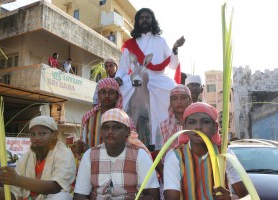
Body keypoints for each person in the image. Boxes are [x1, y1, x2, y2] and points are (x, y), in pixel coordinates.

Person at [115, 8, 185, 146]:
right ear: (137, 21)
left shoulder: (160, 41)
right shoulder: (130, 44)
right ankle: (120, 132)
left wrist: (175, 49)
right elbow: (123, 68)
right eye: (142, 17)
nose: (144, 19)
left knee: (175, 91)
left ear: (152, 20)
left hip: (157, 79)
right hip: (135, 78)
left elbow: (172, 65)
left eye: (147, 17)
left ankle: (167, 134)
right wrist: (118, 78)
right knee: (117, 93)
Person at [163, 102, 248, 200]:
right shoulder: (175, 157)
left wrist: (231, 198)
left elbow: (247, 197)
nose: (198, 127)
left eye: (205, 122)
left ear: (215, 127)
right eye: (192, 122)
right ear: (185, 127)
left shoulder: (224, 154)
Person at [0, 116, 76, 200]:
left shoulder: (63, 153)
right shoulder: (26, 158)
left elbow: (55, 187)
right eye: (33, 134)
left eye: (42, 133)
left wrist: (17, 180)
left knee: (61, 196)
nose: (36, 138)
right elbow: (12, 196)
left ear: (54, 134)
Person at [74, 108, 160, 200]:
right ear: (101, 132)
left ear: (127, 131)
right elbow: (80, 195)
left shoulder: (140, 155)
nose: (110, 131)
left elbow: (152, 195)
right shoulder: (90, 155)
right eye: (106, 128)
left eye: (117, 127)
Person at [154, 85, 192, 180]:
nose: (179, 102)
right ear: (170, 102)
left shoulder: (198, 125)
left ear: (190, 100)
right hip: (170, 177)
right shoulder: (162, 127)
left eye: (183, 98)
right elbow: (158, 158)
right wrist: (168, 179)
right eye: (175, 98)